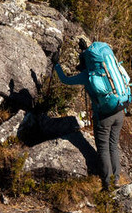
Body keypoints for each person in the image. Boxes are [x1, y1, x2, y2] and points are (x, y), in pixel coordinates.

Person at [53, 37, 126, 189]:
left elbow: (65, 80)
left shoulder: (87, 76)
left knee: (104, 147)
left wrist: (56, 65)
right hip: (120, 108)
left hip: (104, 115)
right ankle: (117, 179)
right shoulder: (107, 69)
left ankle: (107, 182)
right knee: (113, 144)